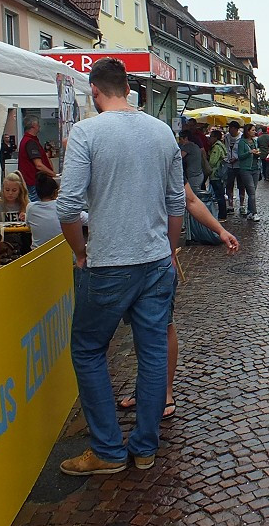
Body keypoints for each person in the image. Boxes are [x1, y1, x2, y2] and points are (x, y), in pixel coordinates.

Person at [56, 57, 184, 476]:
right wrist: (169, 249)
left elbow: (68, 206)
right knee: (151, 355)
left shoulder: (87, 132)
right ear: (128, 87)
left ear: (94, 91)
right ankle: (144, 448)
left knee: (90, 349)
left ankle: (108, 450)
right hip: (154, 259)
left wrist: (79, 251)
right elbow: (176, 203)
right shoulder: (161, 131)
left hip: (108, 262)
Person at [119, 182, 239, 422]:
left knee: (163, 324)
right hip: (124, 256)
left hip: (158, 259)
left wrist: (220, 230)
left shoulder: (164, 152)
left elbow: (190, 200)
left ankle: (165, 391)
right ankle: (144, 388)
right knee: (139, 326)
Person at [27, 173, 88, 248]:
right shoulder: (63, 206)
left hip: (38, 254)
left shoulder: (30, 208)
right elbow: (88, 220)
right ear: (56, 191)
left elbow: (29, 227)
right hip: (63, 253)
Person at [19, 115, 56, 202]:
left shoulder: (27, 140)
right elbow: (39, 165)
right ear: (34, 125)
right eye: (38, 124)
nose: (39, 126)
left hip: (30, 181)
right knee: (37, 204)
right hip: (33, 182)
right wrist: (54, 174)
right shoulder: (31, 142)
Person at [235, 123, 261, 221]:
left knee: (252, 192)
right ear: (248, 131)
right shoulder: (242, 142)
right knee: (252, 192)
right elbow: (240, 156)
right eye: (253, 130)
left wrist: (257, 154)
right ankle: (254, 213)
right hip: (246, 169)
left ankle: (250, 212)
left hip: (255, 168)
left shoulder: (254, 141)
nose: (255, 132)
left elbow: (256, 153)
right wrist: (250, 152)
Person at [207, 129, 229, 222]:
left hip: (216, 174)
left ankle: (222, 215)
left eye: (211, 136)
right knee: (220, 194)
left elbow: (212, 162)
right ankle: (222, 214)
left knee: (219, 195)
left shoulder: (216, 147)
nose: (209, 139)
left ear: (215, 137)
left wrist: (207, 157)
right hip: (220, 174)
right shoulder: (221, 145)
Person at [178, 130, 205, 195]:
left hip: (194, 176)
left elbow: (179, 158)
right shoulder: (194, 145)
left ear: (186, 138)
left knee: (193, 196)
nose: (179, 141)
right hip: (198, 175)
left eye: (180, 139)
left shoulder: (188, 146)